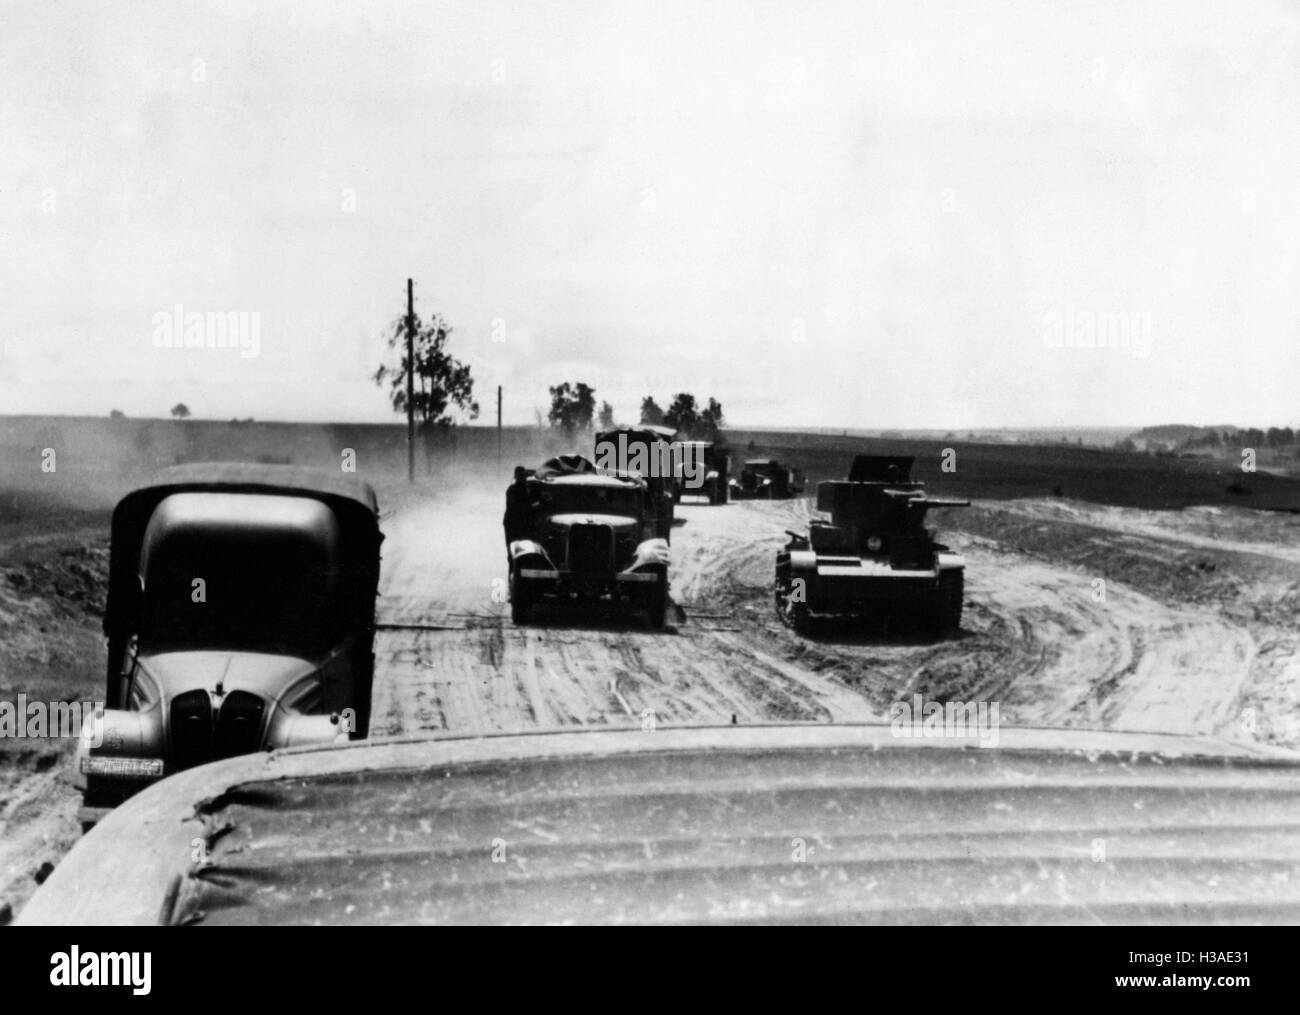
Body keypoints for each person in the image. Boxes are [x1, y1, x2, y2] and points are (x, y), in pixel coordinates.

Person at [503, 466, 536, 570]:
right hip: (514, 524)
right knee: (514, 552)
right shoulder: (513, 490)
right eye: (521, 476)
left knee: (518, 551)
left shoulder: (522, 489)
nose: (523, 478)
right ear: (517, 476)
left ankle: (515, 573)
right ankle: (514, 574)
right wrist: (534, 506)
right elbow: (516, 507)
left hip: (518, 523)